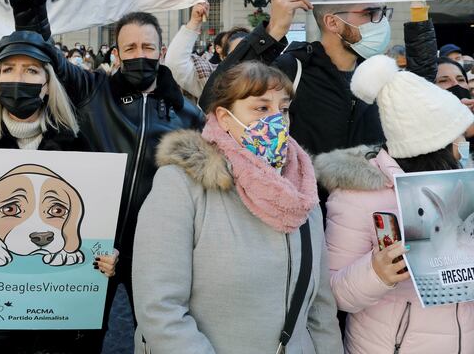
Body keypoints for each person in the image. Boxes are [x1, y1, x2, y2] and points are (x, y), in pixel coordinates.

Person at [10, 0, 205, 323]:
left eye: (147, 46)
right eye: (129, 47)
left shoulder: (188, 114)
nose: (139, 54)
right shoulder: (92, 91)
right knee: (79, 333)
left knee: (154, 336)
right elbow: (43, 51)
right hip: (88, 239)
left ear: (161, 51)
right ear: (116, 53)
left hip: (154, 250)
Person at [0, 30, 118, 353]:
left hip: (55, 317)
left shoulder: (76, 145)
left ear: (47, 84)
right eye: (9, 69)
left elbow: (92, 224)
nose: (20, 78)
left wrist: (106, 257)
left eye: (31, 70)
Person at [133, 61, 342, 353]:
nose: (277, 121)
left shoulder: (301, 188)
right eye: (261, 108)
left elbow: (319, 308)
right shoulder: (181, 186)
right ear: (224, 117)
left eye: (282, 109)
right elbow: (160, 309)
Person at [315, 55, 474, 353]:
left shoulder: (465, 183)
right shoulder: (359, 193)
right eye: (455, 138)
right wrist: (376, 272)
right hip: (391, 345)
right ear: (432, 145)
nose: (462, 145)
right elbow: (333, 293)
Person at [200, 0, 439, 156]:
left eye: (381, 12)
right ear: (332, 23)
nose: (380, 21)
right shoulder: (292, 70)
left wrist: (419, 15)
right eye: (370, 13)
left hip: (367, 211)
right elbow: (215, 96)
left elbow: (421, 93)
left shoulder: (378, 76)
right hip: (310, 212)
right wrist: (274, 30)